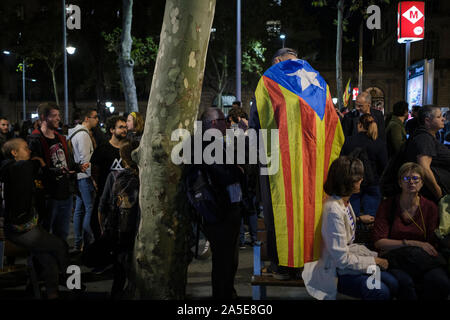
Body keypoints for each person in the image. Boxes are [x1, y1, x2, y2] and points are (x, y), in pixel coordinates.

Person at [249, 47, 344, 280]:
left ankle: (282, 266)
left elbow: (256, 125)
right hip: (315, 162)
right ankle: (310, 261)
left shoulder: (269, 81)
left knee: (278, 210)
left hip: (279, 162)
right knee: (312, 209)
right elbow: (336, 129)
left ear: (278, 61)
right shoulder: (320, 83)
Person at [302, 156, 398, 300]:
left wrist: (375, 256)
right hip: (334, 272)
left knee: (393, 282)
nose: (362, 180)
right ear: (347, 181)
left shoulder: (344, 201)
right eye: (358, 178)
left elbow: (348, 245)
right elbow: (341, 259)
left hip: (345, 266)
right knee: (380, 290)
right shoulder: (333, 209)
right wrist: (375, 261)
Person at [0, 138, 69, 299]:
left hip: (23, 226)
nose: (29, 151)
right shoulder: (18, 168)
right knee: (61, 246)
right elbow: (29, 166)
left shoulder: (7, 167)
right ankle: (74, 283)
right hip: (22, 229)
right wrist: (41, 163)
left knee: (48, 259)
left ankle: (51, 293)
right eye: (25, 148)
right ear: (14, 153)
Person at [373, 162, 449, 300]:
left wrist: (419, 247)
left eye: (415, 179)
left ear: (422, 183)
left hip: (420, 260)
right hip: (395, 259)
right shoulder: (388, 205)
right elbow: (379, 242)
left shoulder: (430, 207)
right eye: (406, 179)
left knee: (440, 281)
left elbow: (432, 243)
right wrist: (412, 243)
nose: (411, 182)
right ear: (399, 183)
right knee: (405, 282)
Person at [192, 107, 244, 299]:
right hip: (220, 213)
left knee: (228, 261)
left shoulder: (208, 143)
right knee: (224, 262)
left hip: (225, 211)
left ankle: (226, 293)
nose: (227, 124)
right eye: (223, 121)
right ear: (214, 124)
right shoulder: (206, 145)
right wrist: (238, 171)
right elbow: (226, 174)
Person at [28, 102, 89, 241]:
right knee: (44, 234)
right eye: (54, 116)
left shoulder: (60, 137)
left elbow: (68, 162)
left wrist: (78, 167)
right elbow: (35, 168)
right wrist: (56, 171)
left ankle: (59, 260)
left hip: (65, 193)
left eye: (58, 115)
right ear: (43, 117)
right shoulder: (35, 139)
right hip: (48, 196)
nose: (58, 118)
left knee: (62, 234)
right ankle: (41, 262)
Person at [98, 139, 140, 299]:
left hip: (120, 230)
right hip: (138, 228)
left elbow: (103, 206)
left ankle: (116, 293)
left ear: (122, 157)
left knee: (119, 267)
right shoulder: (143, 177)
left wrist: (104, 228)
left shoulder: (114, 176)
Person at [340, 114, 388, 224]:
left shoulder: (348, 141)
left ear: (360, 125)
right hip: (373, 183)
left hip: (353, 182)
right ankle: (369, 237)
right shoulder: (379, 143)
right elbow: (384, 166)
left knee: (352, 217)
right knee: (371, 218)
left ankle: (354, 236)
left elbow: (343, 161)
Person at [90, 115, 127, 241]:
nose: (124, 130)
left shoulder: (128, 150)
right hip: (105, 196)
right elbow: (94, 170)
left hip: (123, 198)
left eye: (125, 127)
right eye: (121, 127)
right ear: (112, 130)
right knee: (97, 225)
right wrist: (96, 184)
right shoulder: (103, 149)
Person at [68, 107, 99, 252]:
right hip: (85, 176)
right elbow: (86, 160)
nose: (97, 120)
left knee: (79, 210)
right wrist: (92, 178)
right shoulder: (84, 135)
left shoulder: (74, 132)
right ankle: (87, 243)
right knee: (89, 209)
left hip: (78, 177)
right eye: (95, 117)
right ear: (87, 118)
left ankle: (78, 243)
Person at [405, 105, 450, 202]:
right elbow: (424, 168)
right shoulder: (424, 139)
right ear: (427, 120)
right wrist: (439, 194)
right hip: (432, 196)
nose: (443, 119)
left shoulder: (429, 136)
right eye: (439, 117)